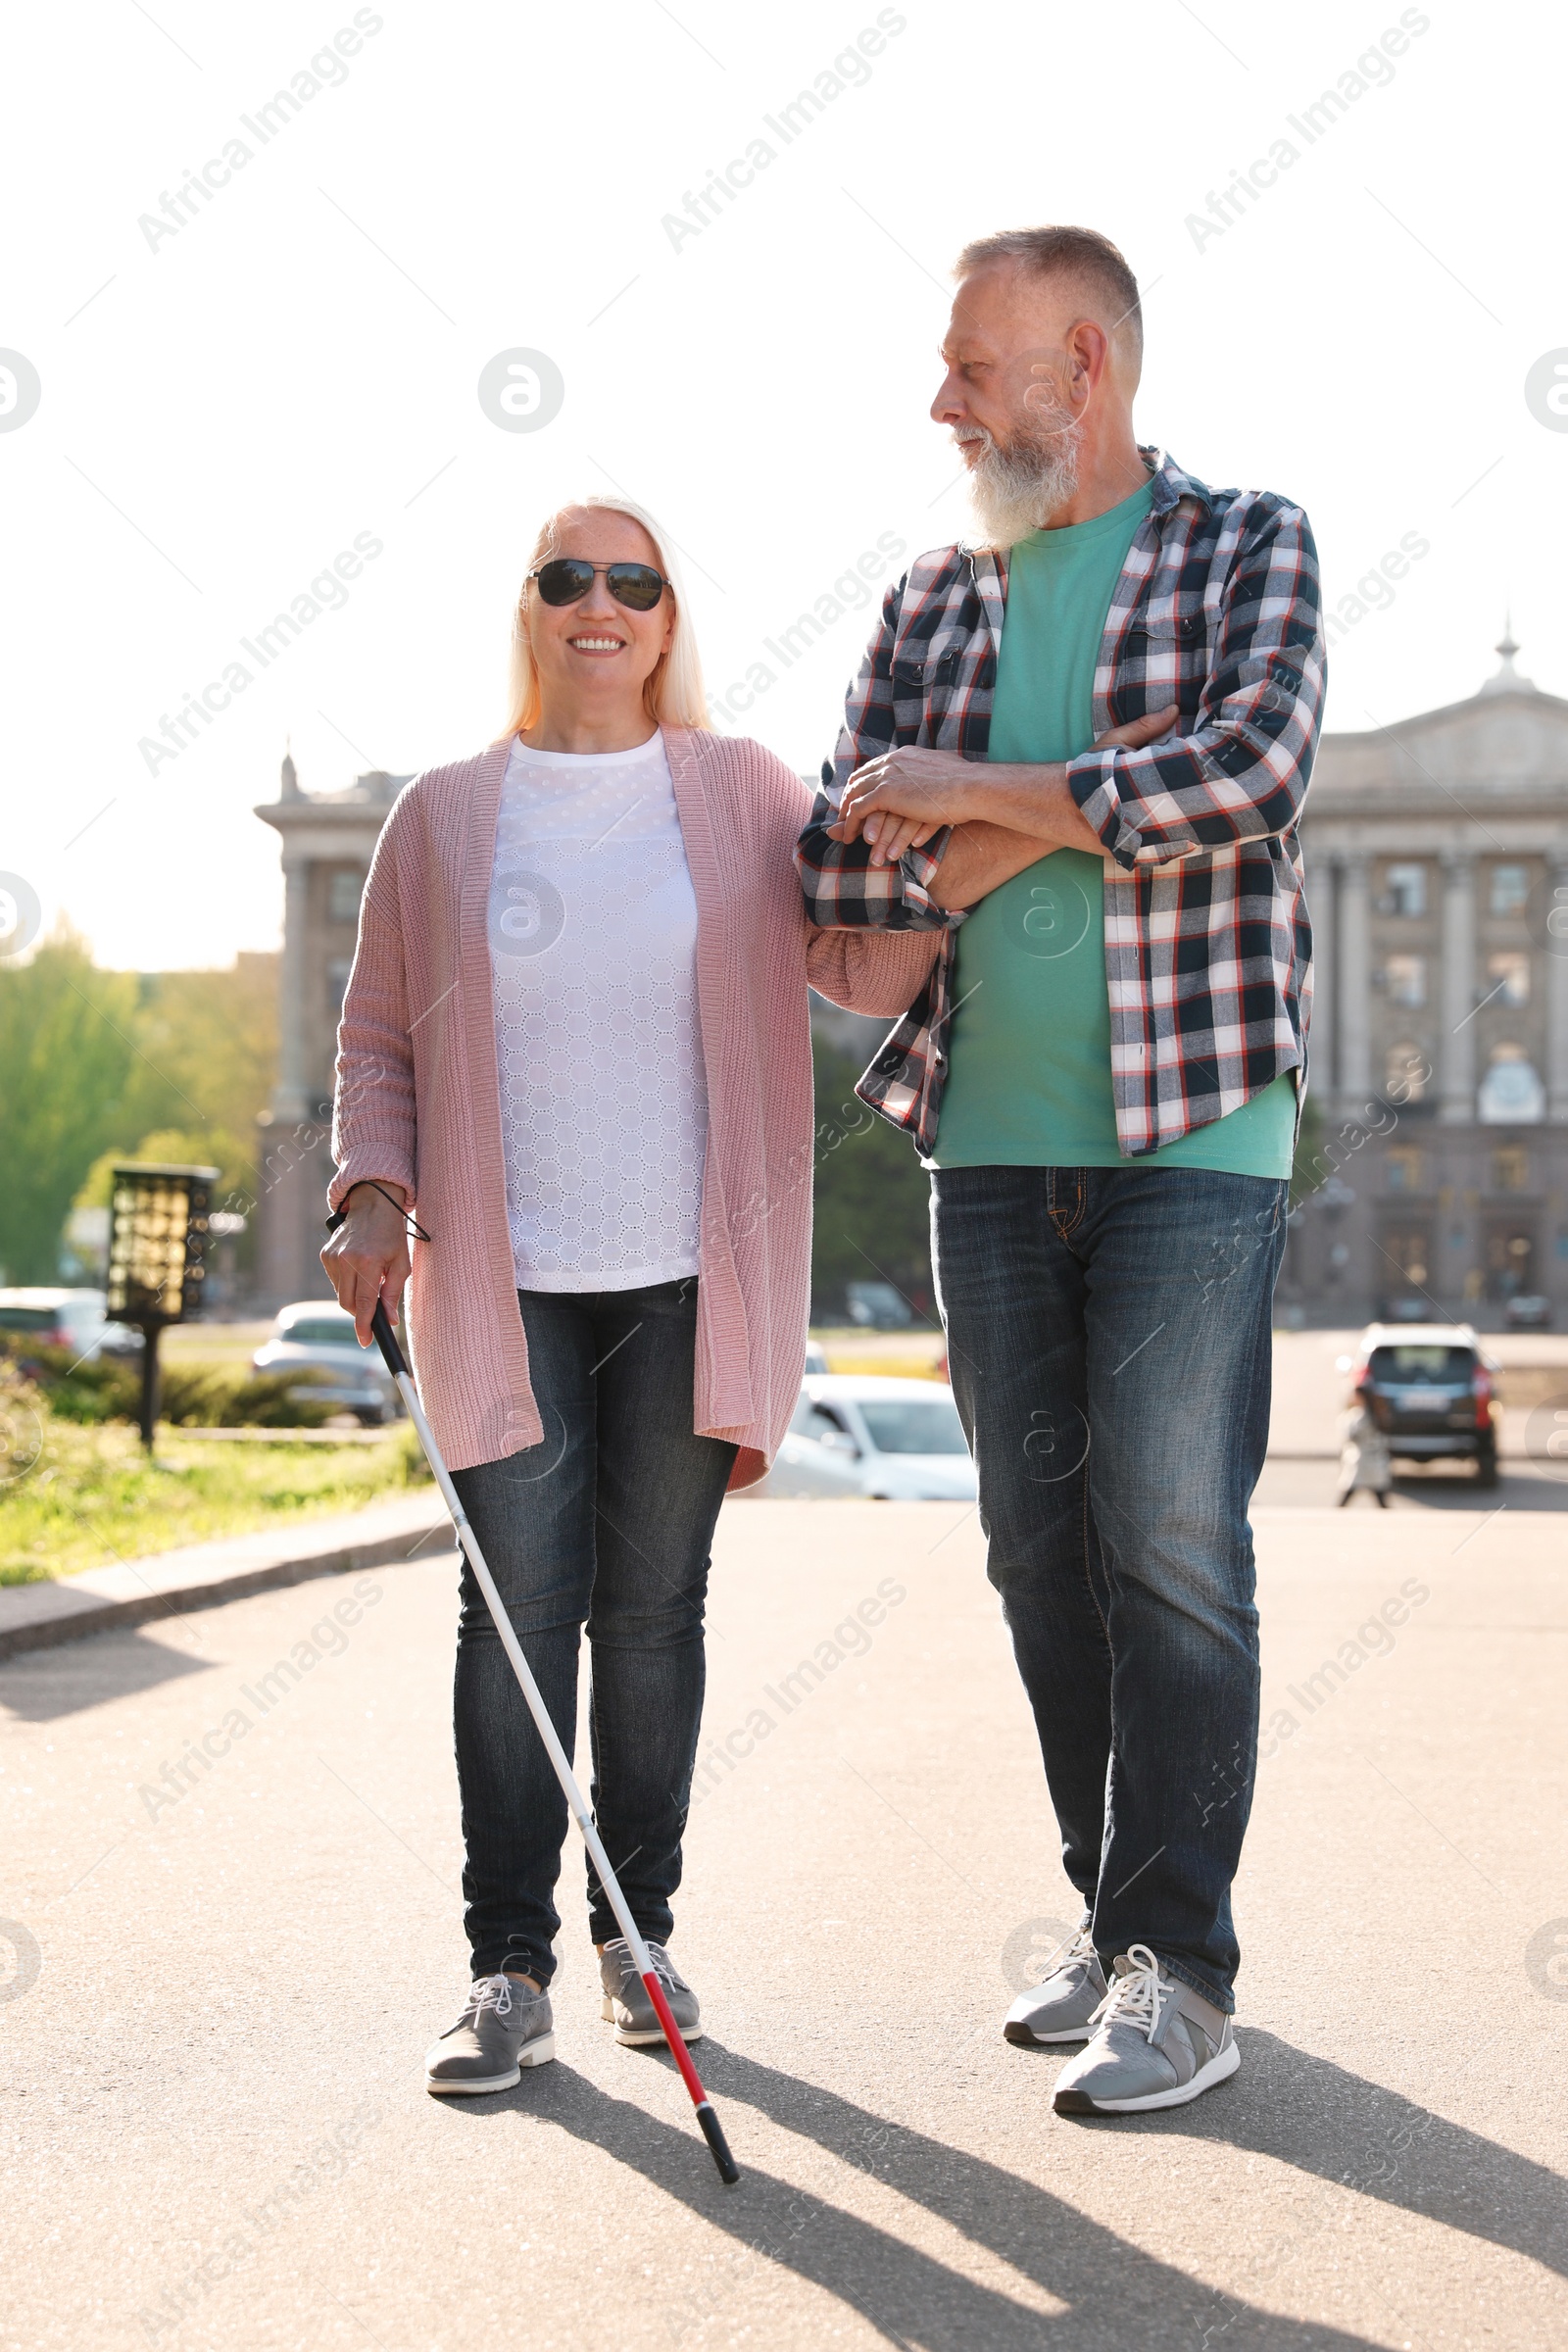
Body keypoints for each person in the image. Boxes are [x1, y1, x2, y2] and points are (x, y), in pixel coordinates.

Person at [798, 224, 1325, 2115]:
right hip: (988, 1145)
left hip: (1200, 1129)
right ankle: (1113, 1935)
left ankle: (1182, 1971)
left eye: (974, 365)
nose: (943, 402)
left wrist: (982, 810)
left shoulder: (1247, 542)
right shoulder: (932, 596)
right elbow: (846, 868)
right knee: (1038, 1560)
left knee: (1169, 1552)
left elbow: (1246, 771)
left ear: (1083, 365)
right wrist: (1060, 817)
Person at [323, 495, 937, 2095]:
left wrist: (956, 826)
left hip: (692, 1272)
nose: (601, 604)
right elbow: (379, 1038)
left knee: (653, 1617)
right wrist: (373, 1189)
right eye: (567, 577)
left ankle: (635, 1939)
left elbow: (864, 967)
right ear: (528, 607)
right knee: (515, 1617)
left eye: (635, 581)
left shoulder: (740, 792)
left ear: (669, 617)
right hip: (499, 1278)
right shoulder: (442, 817)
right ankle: (504, 1968)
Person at [1336, 1380, 1393, 1506]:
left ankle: (1334, 1518)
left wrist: (1347, 1410)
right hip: (1376, 1462)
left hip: (1362, 1462)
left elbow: (1350, 1435)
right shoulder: (1377, 1414)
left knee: (1348, 1494)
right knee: (1380, 1497)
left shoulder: (1360, 1417)